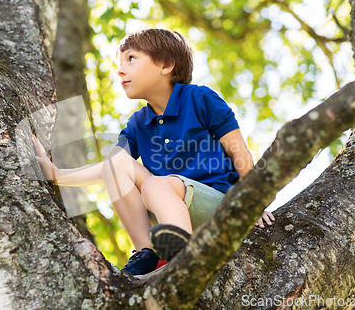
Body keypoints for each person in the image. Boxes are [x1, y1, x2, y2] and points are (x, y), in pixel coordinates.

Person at [32, 28, 274, 279]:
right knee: (116, 165)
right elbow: (108, 169)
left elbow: (240, 152)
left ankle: (184, 260)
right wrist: (57, 175)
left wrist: (254, 203)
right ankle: (148, 253)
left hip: (220, 209)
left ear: (166, 65)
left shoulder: (199, 98)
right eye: (119, 63)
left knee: (155, 186)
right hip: (167, 215)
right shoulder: (138, 123)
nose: (121, 70)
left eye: (131, 59)